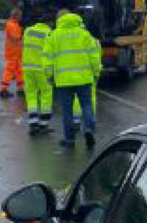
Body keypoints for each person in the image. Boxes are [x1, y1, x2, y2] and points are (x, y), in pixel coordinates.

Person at [43, 8, 101, 148]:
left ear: (59, 20)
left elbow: (47, 59)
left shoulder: (53, 36)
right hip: (84, 78)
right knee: (86, 105)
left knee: (67, 111)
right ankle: (88, 129)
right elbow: (94, 56)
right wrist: (96, 73)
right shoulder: (85, 35)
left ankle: (69, 140)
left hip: (63, 81)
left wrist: (49, 76)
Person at [22, 13, 53, 135]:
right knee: (46, 93)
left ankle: (33, 122)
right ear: (48, 23)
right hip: (42, 69)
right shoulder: (49, 33)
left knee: (31, 94)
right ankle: (44, 124)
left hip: (27, 68)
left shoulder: (28, 31)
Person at [0, 8, 24, 98]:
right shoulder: (11, 24)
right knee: (9, 71)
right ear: (16, 16)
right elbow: (16, 37)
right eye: (20, 16)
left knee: (19, 71)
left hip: (17, 53)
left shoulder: (16, 24)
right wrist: (23, 33)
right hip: (12, 52)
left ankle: (20, 88)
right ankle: (3, 89)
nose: (21, 17)